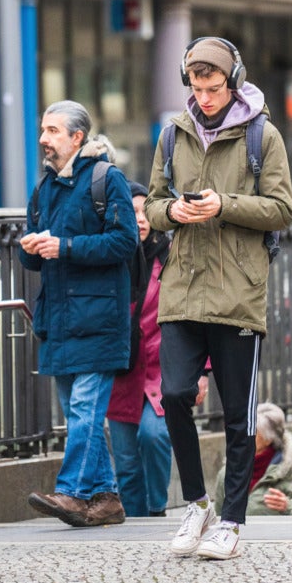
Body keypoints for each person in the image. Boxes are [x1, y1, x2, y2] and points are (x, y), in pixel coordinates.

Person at [144, 35, 292, 561]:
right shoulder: (171, 134)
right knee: (176, 395)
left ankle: (231, 520)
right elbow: (154, 205)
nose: (205, 97)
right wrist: (173, 214)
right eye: (197, 87)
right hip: (182, 288)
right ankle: (197, 504)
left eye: (214, 87)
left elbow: (280, 209)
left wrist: (223, 205)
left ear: (233, 81)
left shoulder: (263, 136)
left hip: (238, 294)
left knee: (237, 415)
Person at [18, 101, 138, 527]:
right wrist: (29, 248)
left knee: (85, 411)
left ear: (77, 138)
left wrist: (65, 247)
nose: (43, 139)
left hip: (99, 320)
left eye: (52, 131)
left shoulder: (108, 180)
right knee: (77, 415)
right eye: (43, 130)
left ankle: (70, 492)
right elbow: (34, 258)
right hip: (60, 320)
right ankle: (106, 499)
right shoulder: (45, 188)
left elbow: (126, 242)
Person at [107, 198, 173, 517]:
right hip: (122, 372)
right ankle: (135, 524)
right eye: (132, 212)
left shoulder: (170, 258)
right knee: (127, 463)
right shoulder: (112, 261)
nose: (141, 219)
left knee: (154, 434)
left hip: (162, 371)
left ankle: (157, 507)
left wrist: (203, 370)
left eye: (146, 211)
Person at [245, 401, 292, 517]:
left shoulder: (290, 471)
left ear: (268, 438)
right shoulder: (228, 472)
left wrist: (288, 507)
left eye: (252, 431)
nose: (244, 435)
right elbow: (217, 520)